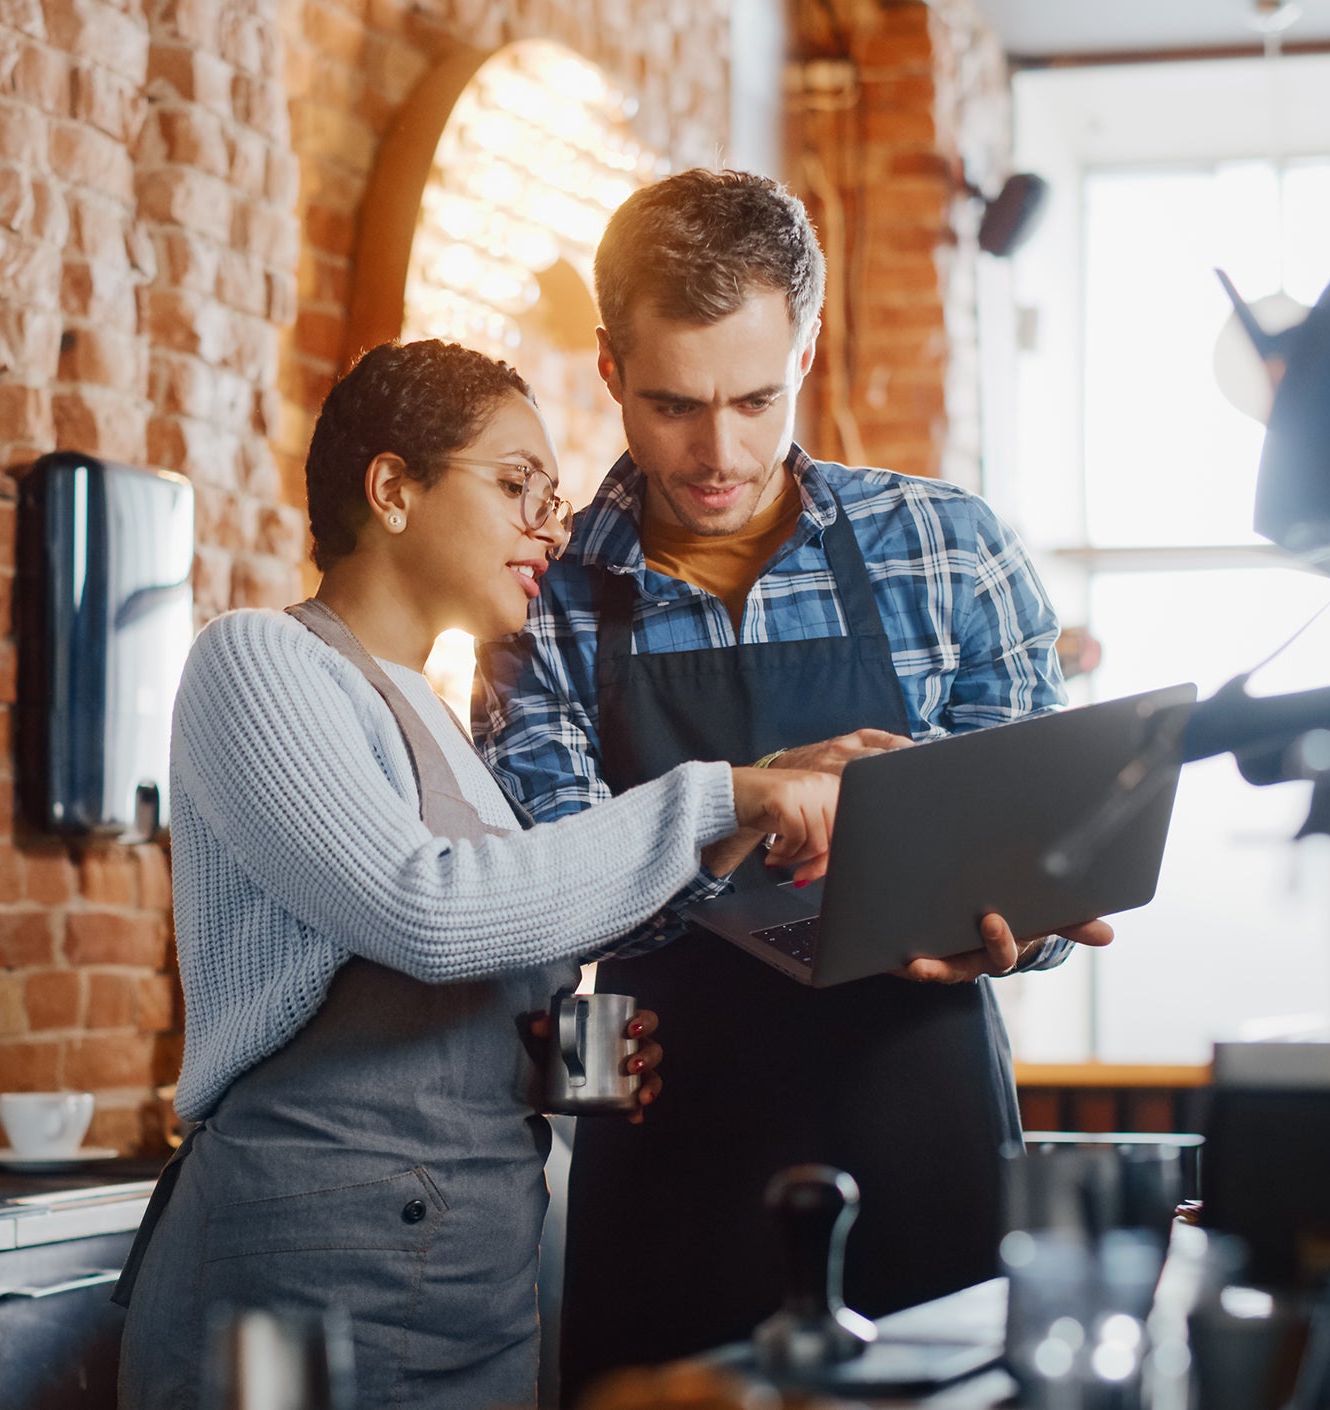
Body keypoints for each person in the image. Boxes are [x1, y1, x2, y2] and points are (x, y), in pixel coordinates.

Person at [473, 169, 1118, 1391]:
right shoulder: (539, 599)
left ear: (808, 347)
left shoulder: (949, 548)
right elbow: (542, 892)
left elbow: (1041, 862)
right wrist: (753, 798)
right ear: (608, 366)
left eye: (756, 398)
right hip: (674, 1143)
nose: (718, 452)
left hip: (924, 1121)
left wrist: (1018, 929)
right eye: (672, 405)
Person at [115, 339, 845, 1410]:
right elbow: (426, 910)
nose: (549, 524)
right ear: (393, 488)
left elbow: (462, 955)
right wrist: (722, 796)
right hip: (300, 1290)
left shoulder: (446, 727)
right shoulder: (258, 663)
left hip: (469, 1292)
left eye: (552, 497)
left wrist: (541, 1060)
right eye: (518, 487)